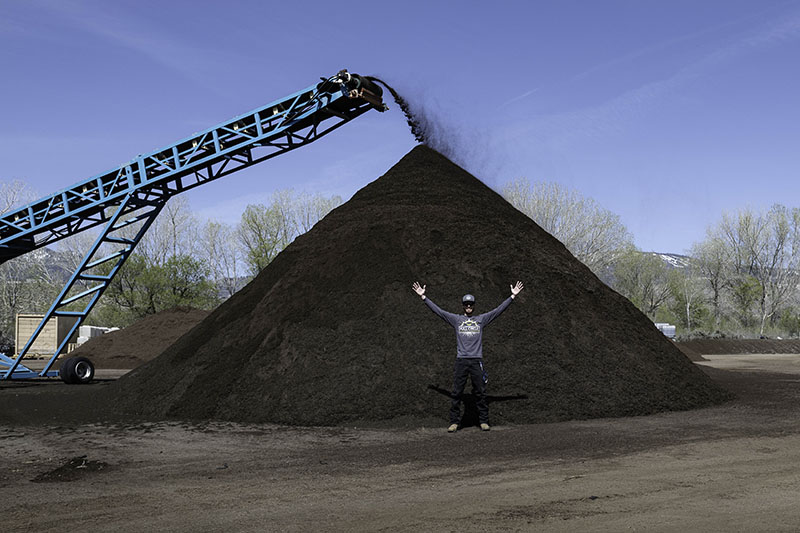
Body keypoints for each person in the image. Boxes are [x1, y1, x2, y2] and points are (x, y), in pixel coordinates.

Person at [412, 280, 524, 432]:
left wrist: (512, 296)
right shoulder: (456, 320)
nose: (469, 307)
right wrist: (424, 298)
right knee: (457, 392)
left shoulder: (481, 320)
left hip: (476, 360)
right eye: (466, 304)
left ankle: (484, 421)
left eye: (471, 305)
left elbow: (498, 311)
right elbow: (439, 311)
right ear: (463, 306)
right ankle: (454, 422)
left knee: (481, 392)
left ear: (474, 306)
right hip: (462, 361)